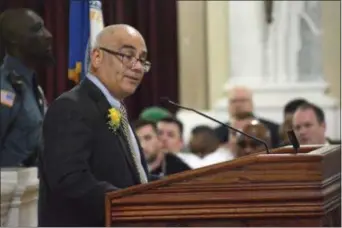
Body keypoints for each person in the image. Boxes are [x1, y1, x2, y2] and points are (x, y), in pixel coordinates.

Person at [38, 24, 157, 226]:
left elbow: (126, 174)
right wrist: (131, 203)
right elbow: (70, 179)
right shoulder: (71, 107)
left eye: (142, 60)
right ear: (97, 57)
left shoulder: (115, 108)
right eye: (127, 56)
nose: (137, 67)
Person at [0, 8, 53, 167]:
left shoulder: (30, 85)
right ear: (14, 39)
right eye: (37, 29)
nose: (48, 35)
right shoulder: (4, 90)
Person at [214, 86, 280, 148]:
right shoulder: (216, 134)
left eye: (243, 100)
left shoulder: (273, 129)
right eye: (233, 101)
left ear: (252, 103)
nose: (238, 105)